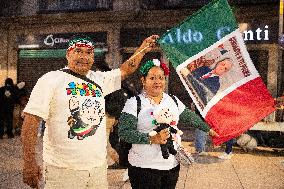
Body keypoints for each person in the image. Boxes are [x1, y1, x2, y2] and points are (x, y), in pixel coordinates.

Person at [21, 34, 159, 189]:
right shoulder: (50, 79)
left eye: (88, 53)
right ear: (68, 54)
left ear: (93, 57)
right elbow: (31, 121)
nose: (83, 57)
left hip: (97, 170)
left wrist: (144, 48)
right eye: (78, 51)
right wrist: (29, 163)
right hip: (63, 171)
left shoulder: (98, 79)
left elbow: (127, 69)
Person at [118, 59, 219, 189]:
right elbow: (124, 132)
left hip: (171, 167)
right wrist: (151, 138)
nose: (157, 82)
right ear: (143, 81)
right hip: (143, 168)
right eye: (152, 78)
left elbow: (191, 117)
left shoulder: (172, 99)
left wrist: (208, 129)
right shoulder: (134, 103)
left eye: (161, 78)